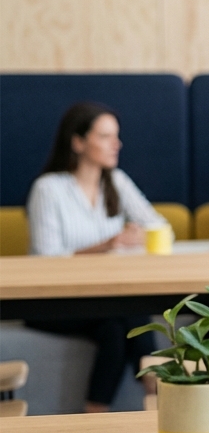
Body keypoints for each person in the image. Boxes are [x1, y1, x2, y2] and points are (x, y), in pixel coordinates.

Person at [25, 102, 167, 412]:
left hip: (104, 296)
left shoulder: (115, 181)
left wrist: (136, 235)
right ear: (78, 142)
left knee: (120, 322)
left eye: (116, 136)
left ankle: (107, 409)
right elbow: (47, 259)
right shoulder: (48, 189)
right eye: (105, 136)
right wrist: (105, 246)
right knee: (126, 317)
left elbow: (158, 225)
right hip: (52, 300)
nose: (117, 144)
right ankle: (154, 397)